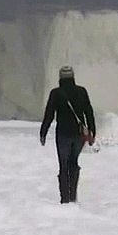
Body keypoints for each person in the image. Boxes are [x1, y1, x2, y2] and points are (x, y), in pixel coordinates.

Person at [39, 65, 96, 204]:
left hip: (63, 134)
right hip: (78, 134)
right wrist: (92, 131)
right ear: (73, 77)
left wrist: (43, 132)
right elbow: (89, 112)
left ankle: (65, 199)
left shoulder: (56, 93)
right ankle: (73, 196)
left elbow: (49, 114)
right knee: (74, 162)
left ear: (60, 78)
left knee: (63, 166)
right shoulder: (81, 92)